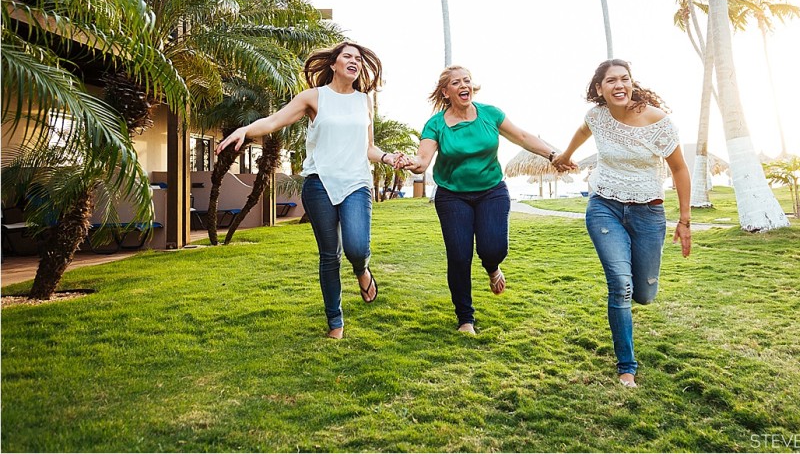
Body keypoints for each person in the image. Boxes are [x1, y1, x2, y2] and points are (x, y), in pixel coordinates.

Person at [216, 41, 401, 340]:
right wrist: (244, 130)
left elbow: (368, 147)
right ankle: (335, 321)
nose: (354, 61)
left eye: (358, 58)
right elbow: (275, 120)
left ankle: (361, 270)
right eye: (347, 57)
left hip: (356, 182)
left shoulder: (364, 101)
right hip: (319, 184)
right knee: (329, 255)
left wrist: (387, 157)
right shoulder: (314, 97)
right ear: (333, 64)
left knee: (355, 247)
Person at [553, 59, 692, 387]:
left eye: (624, 79)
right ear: (599, 89)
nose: (619, 85)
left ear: (632, 83)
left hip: (648, 213)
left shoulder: (658, 123)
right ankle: (626, 366)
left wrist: (685, 219)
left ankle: (636, 305)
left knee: (643, 294)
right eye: (611, 81)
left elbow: (680, 169)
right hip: (604, 206)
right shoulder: (598, 116)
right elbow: (583, 130)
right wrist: (566, 155)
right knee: (620, 284)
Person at [401, 65, 567, 335]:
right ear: (446, 92)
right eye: (455, 83)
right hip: (452, 195)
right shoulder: (436, 124)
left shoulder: (490, 114)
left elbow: (523, 137)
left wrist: (553, 155)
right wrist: (412, 162)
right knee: (458, 255)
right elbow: (422, 160)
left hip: (491, 190)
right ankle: (465, 318)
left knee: (493, 248)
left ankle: (492, 268)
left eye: (466, 80)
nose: (463, 85)